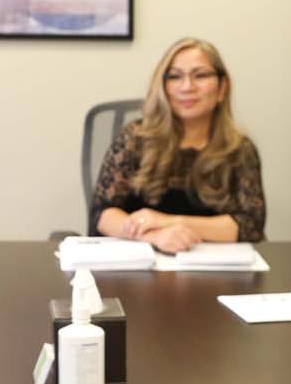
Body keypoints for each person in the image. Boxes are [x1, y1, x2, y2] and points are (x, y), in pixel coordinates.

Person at [91, 37, 266, 253]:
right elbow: (103, 214)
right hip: (140, 267)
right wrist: (156, 236)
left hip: (214, 272)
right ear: (162, 87)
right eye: (175, 77)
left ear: (222, 87)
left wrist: (167, 221)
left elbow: (250, 225)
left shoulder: (239, 148)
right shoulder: (135, 138)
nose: (187, 87)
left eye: (200, 75)